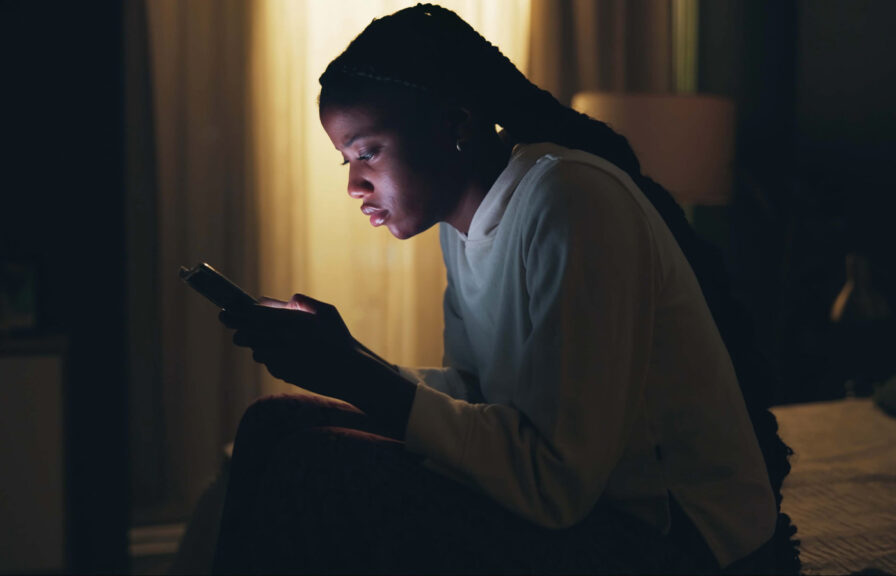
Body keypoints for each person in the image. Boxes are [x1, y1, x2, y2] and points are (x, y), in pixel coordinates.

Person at [210, 4, 799, 574]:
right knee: (273, 421)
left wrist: (355, 376)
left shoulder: (571, 201)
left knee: (320, 463)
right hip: (584, 504)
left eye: (368, 152)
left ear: (455, 124)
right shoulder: (463, 228)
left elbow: (557, 484)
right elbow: (476, 394)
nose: (355, 185)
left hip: (675, 538)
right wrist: (346, 357)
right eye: (346, 161)